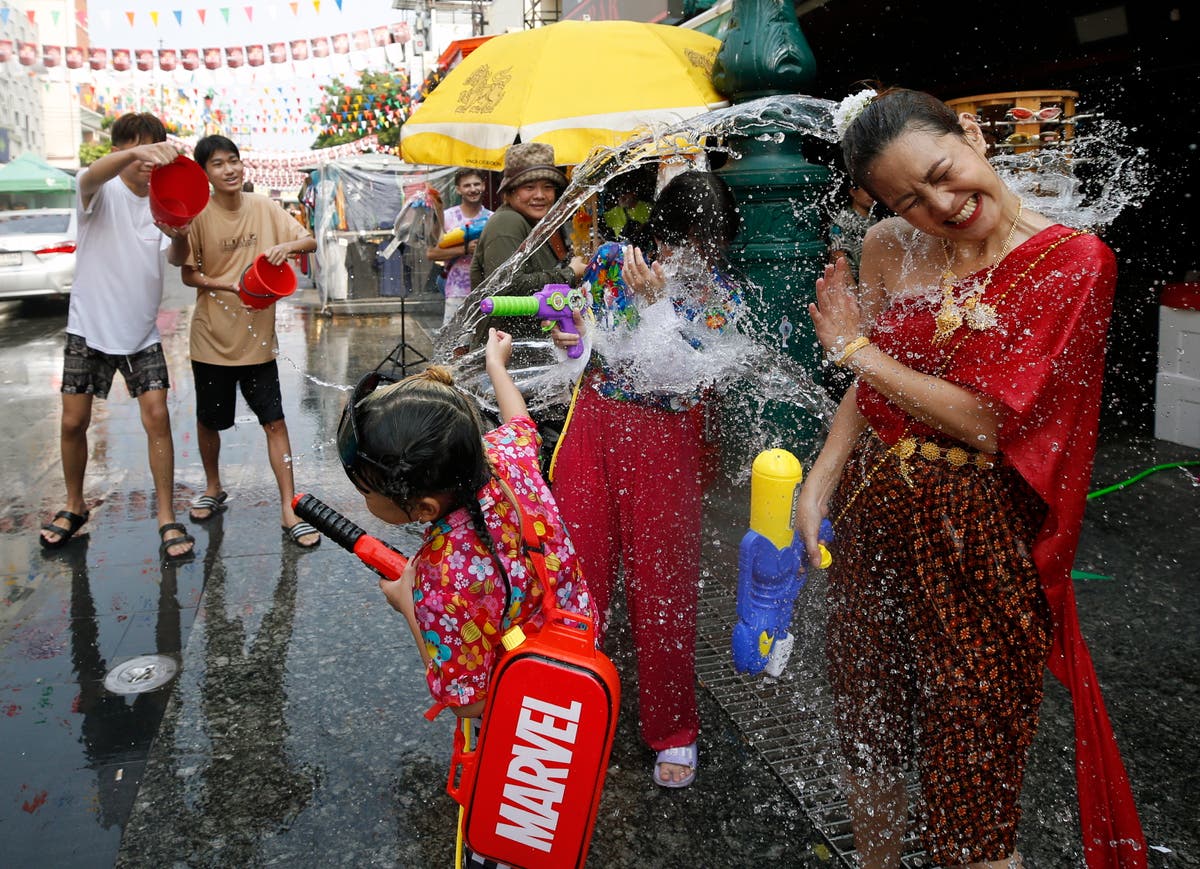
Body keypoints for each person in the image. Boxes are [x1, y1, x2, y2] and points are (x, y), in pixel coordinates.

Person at [794, 88, 1144, 868]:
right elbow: (873, 375)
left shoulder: (1074, 260)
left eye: (944, 174)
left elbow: (992, 419)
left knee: (973, 778)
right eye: (909, 200)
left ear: (974, 135)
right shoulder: (890, 246)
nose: (941, 206)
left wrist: (857, 350)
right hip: (875, 509)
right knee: (872, 725)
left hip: (981, 541)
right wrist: (821, 476)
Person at [550, 171, 743, 788]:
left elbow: (682, 375)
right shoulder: (611, 260)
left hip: (667, 439)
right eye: (683, 239)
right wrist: (568, 334)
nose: (690, 257)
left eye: (707, 246)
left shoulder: (722, 299)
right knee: (578, 572)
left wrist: (659, 307)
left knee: (663, 585)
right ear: (662, 229)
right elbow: (576, 348)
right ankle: (563, 716)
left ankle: (673, 729)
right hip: (594, 423)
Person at [337, 329, 596, 719]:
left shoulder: (441, 579)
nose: (364, 501)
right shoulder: (504, 459)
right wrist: (496, 365)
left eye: (366, 493)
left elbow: (471, 702)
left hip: (528, 707)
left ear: (423, 508)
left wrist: (408, 603)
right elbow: (520, 421)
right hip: (579, 644)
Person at [40, 112, 195, 563]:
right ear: (120, 150)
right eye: (137, 149)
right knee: (73, 423)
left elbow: (176, 258)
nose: (147, 160)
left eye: (153, 148)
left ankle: (167, 515)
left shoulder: (166, 199)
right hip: (88, 325)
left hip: (141, 330)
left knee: (157, 418)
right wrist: (138, 150)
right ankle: (74, 505)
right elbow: (89, 175)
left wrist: (180, 235)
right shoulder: (98, 190)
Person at [178, 135, 321, 548]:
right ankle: (213, 485)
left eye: (234, 161)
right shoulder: (199, 215)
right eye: (219, 164)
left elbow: (308, 241)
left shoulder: (264, 207)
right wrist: (226, 283)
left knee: (274, 421)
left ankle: (289, 507)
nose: (230, 169)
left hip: (258, 341)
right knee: (210, 420)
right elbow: (189, 274)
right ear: (205, 174)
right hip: (210, 340)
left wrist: (285, 246)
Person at [469, 142, 585, 299]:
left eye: (547, 187)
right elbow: (504, 286)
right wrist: (569, 274)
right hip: (499, 324)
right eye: (529, 187)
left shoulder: (535, 224)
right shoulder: (507, 221)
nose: (540, 195)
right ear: (509, 193)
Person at [428, 168, 492, 326]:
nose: (473, 189)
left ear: (484, 186)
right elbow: (432, 253)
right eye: (467, 185)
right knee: (453, 340)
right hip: (456, 290)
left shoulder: (493, 218)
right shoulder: (448, 217)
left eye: (477, 184)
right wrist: (465, 250)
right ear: (458, 190)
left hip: (487, 290)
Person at [826, 178, 877, 280]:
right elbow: (838, 254)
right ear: (853, 192)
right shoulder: (843, 220)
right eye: (866, 191)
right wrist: (853, 288)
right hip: (855, 280)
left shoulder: (872, 219)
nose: (871, 195)